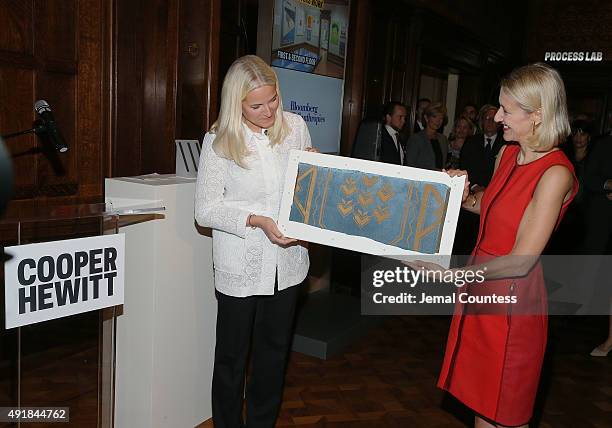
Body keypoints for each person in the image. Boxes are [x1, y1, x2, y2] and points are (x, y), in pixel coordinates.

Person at [420, 63, 577, 428]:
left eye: (507, 110)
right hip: (481, 291)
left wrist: (456, 276)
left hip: (511, 301)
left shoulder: (555, 173)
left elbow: (521, 260)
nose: (497, 117)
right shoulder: (509, 154)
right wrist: (463, 195)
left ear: (537, 115)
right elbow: (490, 205)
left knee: (505, 411)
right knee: (481, 406)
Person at [194, 55, 315, 428]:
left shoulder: (295, 126)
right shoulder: (218, 139)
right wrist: (255, 219)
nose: (268, 110)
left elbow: (306, 189)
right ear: (237, 103)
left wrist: (315, 172)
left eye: (273, 99)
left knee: (273, 355)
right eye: (256, 104)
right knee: (231, 358)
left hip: (288, 263)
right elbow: (205, 210)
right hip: (240, 264)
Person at [405, 102, 448, 170]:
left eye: (441, 118)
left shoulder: (443, 139)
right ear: (426, 118)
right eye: (434, 116)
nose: (438, 121)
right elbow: (410, 165)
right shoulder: (416, 139)